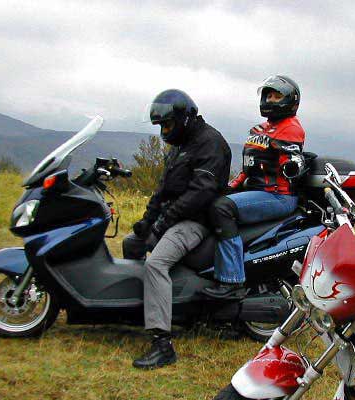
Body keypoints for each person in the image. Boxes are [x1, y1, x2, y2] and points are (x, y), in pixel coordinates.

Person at [123, 89, 231, 369]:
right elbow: (163, 189)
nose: (164, 131)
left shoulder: (210, 143)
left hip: (196, 221)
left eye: (167, 125)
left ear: (184, 118)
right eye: (161, 126)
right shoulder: (181, 145)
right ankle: (139, 310)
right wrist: (147, 221)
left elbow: (201, 192)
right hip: (175, 217)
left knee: (156, 263)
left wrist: (163, 222)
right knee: (131, 243)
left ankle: (162, 344)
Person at [203, 75, 306, 299]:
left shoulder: (290, 128)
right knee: (210, 200)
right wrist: (231, 186)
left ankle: (232, 280)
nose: (270, 100)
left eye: (276, 96)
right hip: (257, 190)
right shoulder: (259, 129)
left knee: (222, 208)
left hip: (278, 196)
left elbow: (292, 162)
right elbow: (249, 168)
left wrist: (291, 163)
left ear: (290, 101)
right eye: (268, 95)